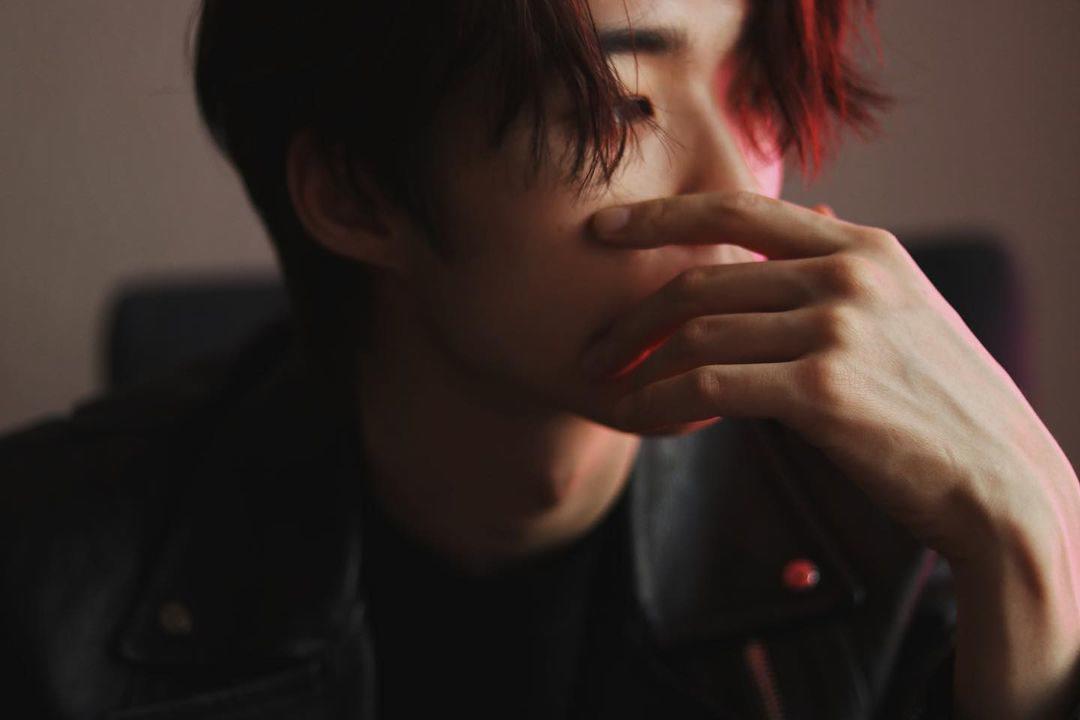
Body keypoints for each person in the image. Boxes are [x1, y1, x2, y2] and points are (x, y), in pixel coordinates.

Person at [2, 0, 1079, 718]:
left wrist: (1030, 547)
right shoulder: (45, 579)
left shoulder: (892, 540)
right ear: (358, 193)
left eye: (756, 90)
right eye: (617, 108)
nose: (740, 188)